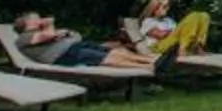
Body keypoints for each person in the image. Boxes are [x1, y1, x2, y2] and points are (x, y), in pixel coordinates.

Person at [15, 11, 158, 72]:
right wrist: (50, 25)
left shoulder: (37, 33)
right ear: (28, 23)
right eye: (36, 18)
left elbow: (62, 35)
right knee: (104, 58)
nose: (40, 19)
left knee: (111, 50)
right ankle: (148, 67)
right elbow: (49, 35)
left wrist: (62, 34)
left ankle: (150, 60)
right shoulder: (24, 37)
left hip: (71, 48)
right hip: (62, 56)